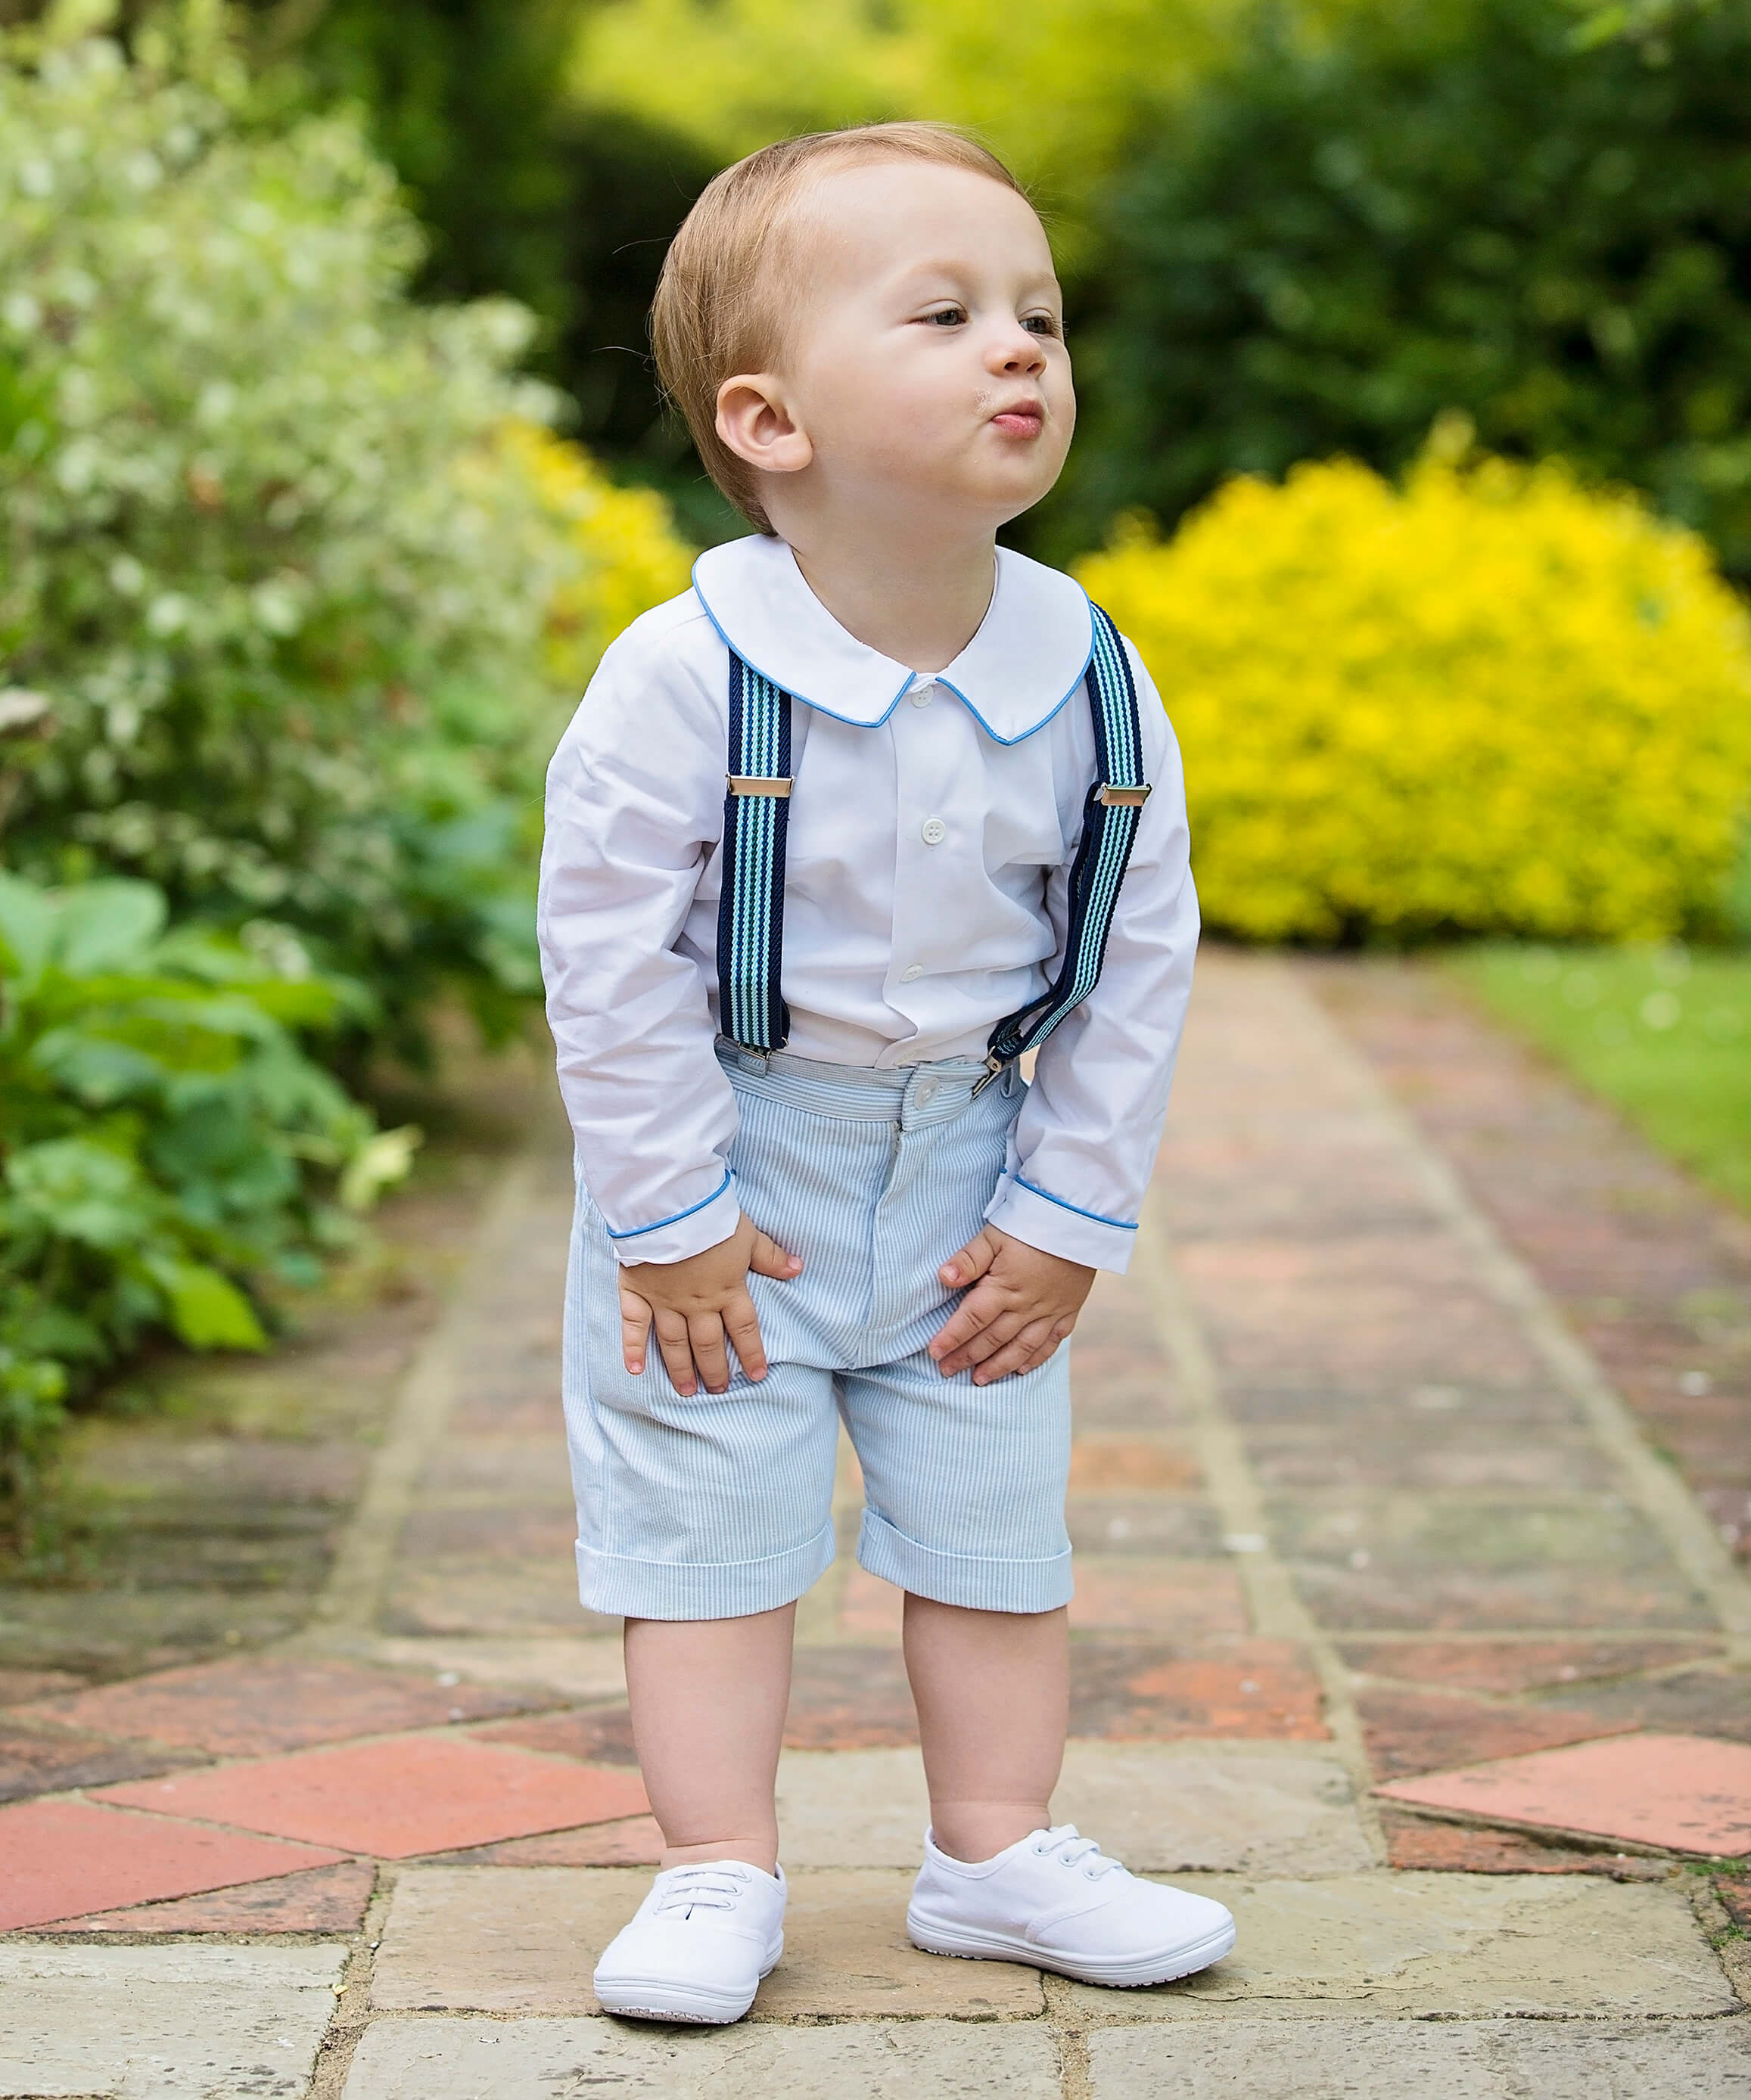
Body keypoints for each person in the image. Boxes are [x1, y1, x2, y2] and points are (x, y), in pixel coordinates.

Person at [537, 121, 1230, 2027]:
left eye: (1038, 314)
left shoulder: (1087, 669)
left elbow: (1129, 950)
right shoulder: (683, 675)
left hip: (972, 1170)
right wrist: (667, 1217)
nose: (1020, 348)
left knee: (995, 1515)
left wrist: (1067, 1212)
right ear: (769, 418)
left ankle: (991, 1849)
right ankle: (713, 1862)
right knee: (706, 1521)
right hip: (732, 1157)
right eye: (945, 313)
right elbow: (605, 958)